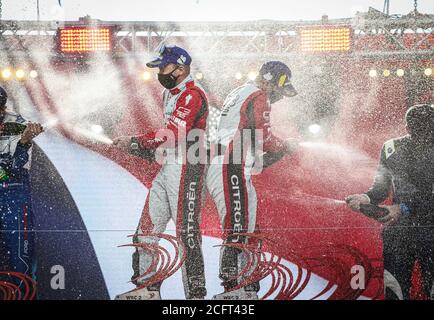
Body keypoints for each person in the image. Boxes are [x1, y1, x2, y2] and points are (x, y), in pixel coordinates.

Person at [114, 45, 208, 300]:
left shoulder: (192, 94)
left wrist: (135, 142)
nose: (159, 72)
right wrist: (138, 147)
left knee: (186, 233)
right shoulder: (173, 94)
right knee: (146, 230)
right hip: (169, 166)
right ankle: (147, 289)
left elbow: (174, 134)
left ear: (181, 68)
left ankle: (196, 295)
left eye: (163, 67)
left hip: (188, 167)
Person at [205, 61, 299, 300]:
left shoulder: (240, 90)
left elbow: (252, 140)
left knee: (249, 229)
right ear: (271, 80)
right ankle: (232, 289)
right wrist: (285, 145)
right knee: (238, 227)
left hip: (231, 165)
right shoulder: (259, 95)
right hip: (231, 165)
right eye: (280, 88)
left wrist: (278, 151)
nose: (279, 96)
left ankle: (248, 287)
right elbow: (263, 135)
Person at [346, 104, 434, 300]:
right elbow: (380, 187)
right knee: (394, 290)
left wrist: (402, 207)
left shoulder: (392, 147)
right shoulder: (391, 148)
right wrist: (366, 198)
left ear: (406, 127)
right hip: (399, 234)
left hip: (426, 230)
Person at [0, 83, 43, 299]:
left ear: (0, 109)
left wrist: (25, 142)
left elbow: (16, 168)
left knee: (21, 263)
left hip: (14, 199)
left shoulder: (20, 125)